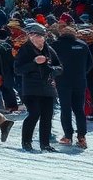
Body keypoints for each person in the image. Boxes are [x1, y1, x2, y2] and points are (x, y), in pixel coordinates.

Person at [14, 23, 62, 152]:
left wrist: (51, 69)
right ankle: (26, 142)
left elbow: (60, 68)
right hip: (31, 88)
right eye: (32, 35)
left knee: (47, 116)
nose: (34, 37)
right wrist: (34, 63)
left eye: (38, 35)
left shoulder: (49, 50)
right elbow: (18, 69)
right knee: (34, 113)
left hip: (48, 88)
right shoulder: (25, 50)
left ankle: (45, 144)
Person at [52, 25, 93, 146]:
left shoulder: (56, 45)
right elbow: (90, 63)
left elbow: (52, 62)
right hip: (80, 80)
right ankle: (82, 136)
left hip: (63, 81)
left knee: (66, 108)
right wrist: (82, 72)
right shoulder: (82, 45)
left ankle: (68, 135)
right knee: (79, 109)